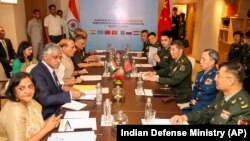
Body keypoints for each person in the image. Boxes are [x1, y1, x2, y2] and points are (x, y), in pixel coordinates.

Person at [170, 62, 250, 125]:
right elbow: (207, 113)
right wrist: (184, 117)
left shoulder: (245, 109)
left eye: (218, 76)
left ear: (230, 81)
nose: (215, 78)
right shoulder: (221, 94)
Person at [0, 72, 62, 140]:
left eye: (30, 86)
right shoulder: (14, 112)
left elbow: (31, 127)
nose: (28, 91)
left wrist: (47, 123)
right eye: (21, 88)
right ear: (13, 91)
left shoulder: (31, 102)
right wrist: (46, 129)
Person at [30, 43, 83, 119]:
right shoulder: (38, 73)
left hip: (57, 106)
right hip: (49, 113)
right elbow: (46, 99)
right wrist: (70, 95)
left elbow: (52, 85)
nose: (59, 61)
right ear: (45, 57)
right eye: (55, 57)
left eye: (60, 58)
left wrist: (63, 87)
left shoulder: (49, 67)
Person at [144, 40, 192, 108]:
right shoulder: (175, 59)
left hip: (180, 95)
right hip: (172, 90)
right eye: (170, 50)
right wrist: (154, 73)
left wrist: (156, 79)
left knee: (157, 102)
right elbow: (167, 70)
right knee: (152, 94)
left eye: (173, 50)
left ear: (181, 50)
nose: (171, 52)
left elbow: (174, 80)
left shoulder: (184, 64)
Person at [182, 49, 218, 113]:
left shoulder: (217, 76)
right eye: (201, 58)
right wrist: (192, 99)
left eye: (204, 59)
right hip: (194, 106)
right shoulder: (200, 74)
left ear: (212, 62)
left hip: (205, 110)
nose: (200, 62)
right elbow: (195, 89)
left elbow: (215, 99)